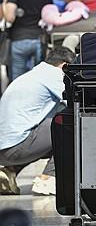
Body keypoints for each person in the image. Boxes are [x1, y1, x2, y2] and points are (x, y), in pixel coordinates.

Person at [0, 47, 75, 195]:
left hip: (4, 149)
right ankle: (48, 179)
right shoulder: (55, 75)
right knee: (71, 125)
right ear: (64, 65)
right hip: (16, 148)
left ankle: (9, 172)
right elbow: (77, 102)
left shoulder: (32, 75)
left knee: (45, 126)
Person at [0, 0, 52, 80]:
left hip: (19, 38)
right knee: (37, 79)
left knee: (17, 81)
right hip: (39, 39)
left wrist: (3, 3)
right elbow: (50, 17)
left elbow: (10, 17)